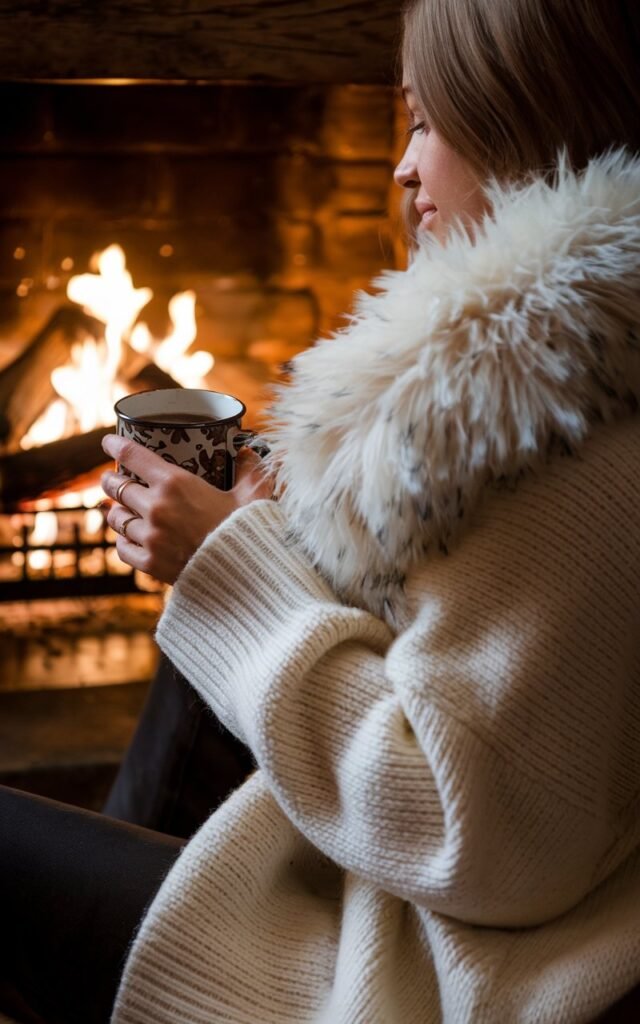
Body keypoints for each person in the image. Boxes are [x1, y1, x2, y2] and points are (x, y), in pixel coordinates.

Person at [2, 0, 640, 1020]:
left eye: (427, 121)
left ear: (523, 120)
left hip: (421, 971)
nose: (400, 165)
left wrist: (238, 578)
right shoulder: (570, 375)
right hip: (393, 913)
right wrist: (280, 546)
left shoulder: (560, 429)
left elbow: (469, 835)